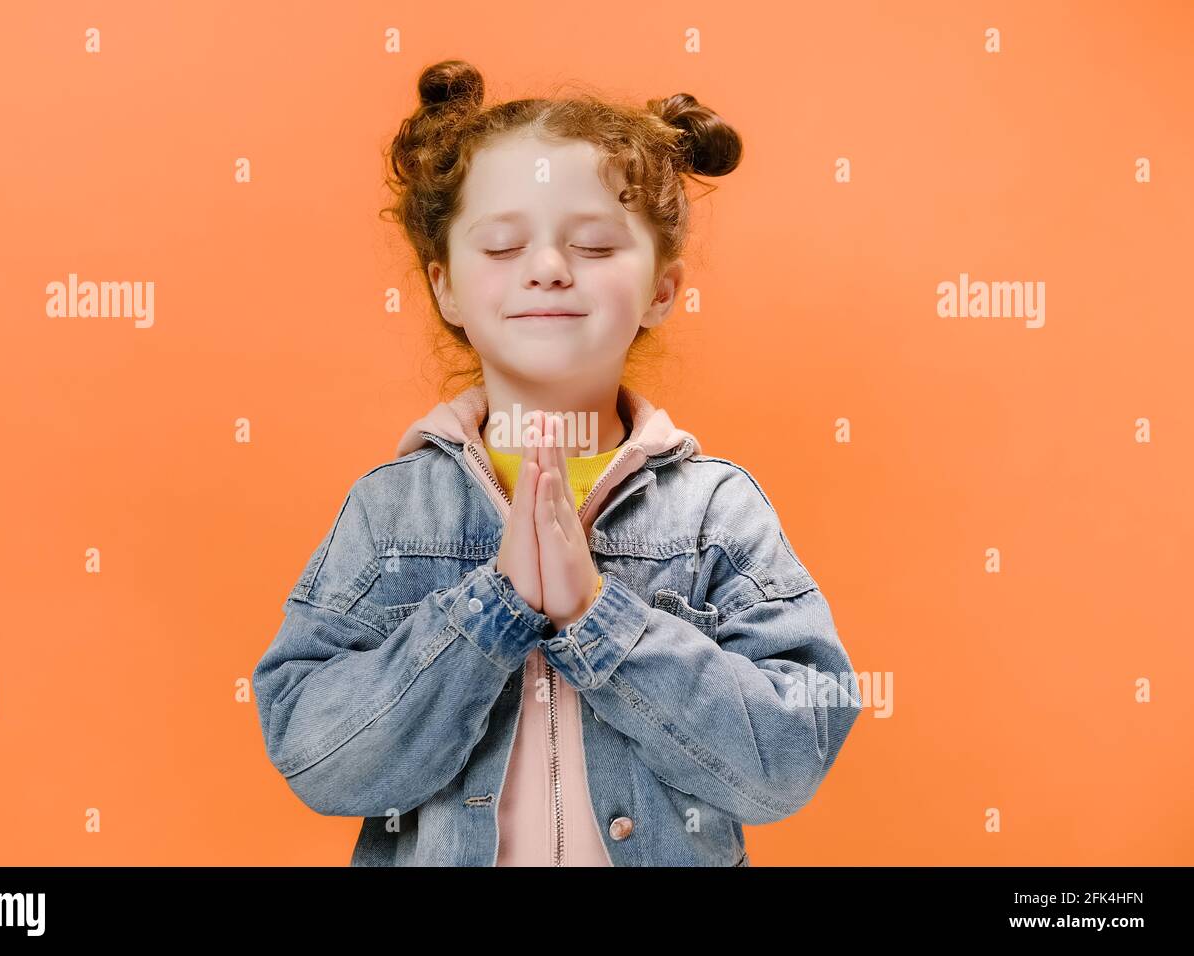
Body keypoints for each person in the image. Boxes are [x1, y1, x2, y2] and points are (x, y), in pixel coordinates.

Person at [252, 59, 862, 866]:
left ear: (662, 290)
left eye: (596, 244)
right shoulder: (392, 512)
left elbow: (786, 760)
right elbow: (318, 759)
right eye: (503, 245)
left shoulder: (718, 512)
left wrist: (599, 620)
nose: (547, 266)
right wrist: (492, 613)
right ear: (446, 289)